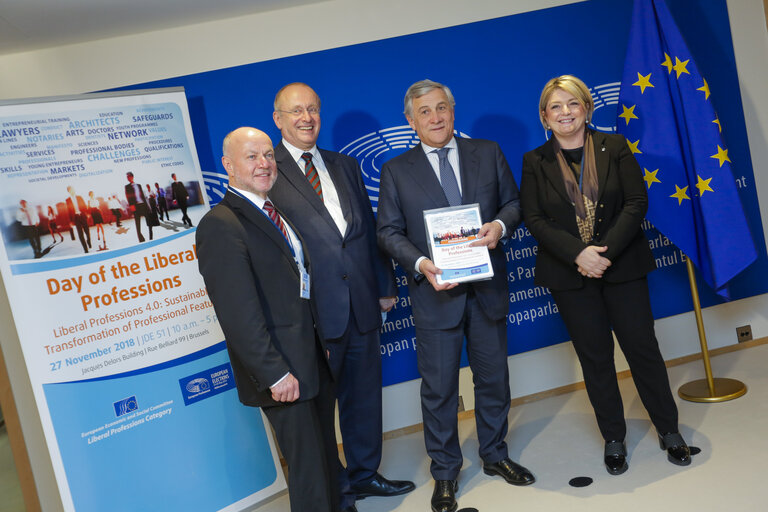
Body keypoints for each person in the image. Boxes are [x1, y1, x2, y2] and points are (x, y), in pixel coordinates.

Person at [519, 75, 691, 476]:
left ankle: (669, 430)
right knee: (595, 358)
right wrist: (579, 253)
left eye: (572, 104)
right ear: (544, 117)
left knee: (642, 350)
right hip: (570, 274)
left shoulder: (614, 147)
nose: (565, 113)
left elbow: (636, 202)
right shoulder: (534, 161)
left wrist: (603, 254)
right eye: (556, 107)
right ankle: (613, 437)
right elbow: (534, 218)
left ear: (587, 109)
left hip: (622, 268)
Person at [377, 79, 534, 512]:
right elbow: (388, 233)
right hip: (435, 295)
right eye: (424, 112)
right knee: (440, 390)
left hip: (486, 289)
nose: (436, 117)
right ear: (410, 121)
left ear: (453, 109)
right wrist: (422, 265)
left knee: (494, 380)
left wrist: (499, 227)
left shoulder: (487, 151)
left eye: (442, 107)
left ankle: (495, 456)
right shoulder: (395, 170)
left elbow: (514, 204)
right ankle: (445, 474)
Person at [270, 82, 414, 511]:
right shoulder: (268, 170)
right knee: (319, 412)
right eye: (296, 111)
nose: (306, 118)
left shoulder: (345, 164)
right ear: (278, 119)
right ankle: (339, 491)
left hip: (363, 303)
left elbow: (366, 231)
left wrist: (385, 286)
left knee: (364, 397)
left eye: (313, 109)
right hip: (312, 314)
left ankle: (365, 475)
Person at [196, 127, 340, 512]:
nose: (264, 164)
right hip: (282, 371)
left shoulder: (274, 212)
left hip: (310, 361)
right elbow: (237, 313)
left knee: (326, 457)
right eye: (251, 157)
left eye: (267, 155)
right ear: (227, 165)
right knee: (308, 474)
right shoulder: (221, 224)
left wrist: (317, 344)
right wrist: (274, 373)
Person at [124, 172, 153, 242]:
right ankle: (140, 238)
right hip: (135, 206)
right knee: (137, 222)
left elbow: (142, 196)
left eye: (129, 176)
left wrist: (147, 206)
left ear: (132, 177)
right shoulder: (127, 187)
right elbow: (128, 196)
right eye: (127, 177)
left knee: (149, 220)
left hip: (143, 204)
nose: (128, 178)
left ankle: (151, 236)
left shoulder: (139, 185)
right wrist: (131, 205)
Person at [65, 185, 91, 253]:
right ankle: (85, 249)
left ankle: (88, 240)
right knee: (80, 234)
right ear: (69, 191)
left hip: (82, 215)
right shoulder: (67, 200)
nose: (72, 191)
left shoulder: (79, 197)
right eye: (71, 190)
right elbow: (69, 211)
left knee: (87, 231)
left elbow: (84, 205)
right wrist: (70, 221)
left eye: (73, 189)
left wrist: (87, 213)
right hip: (75, 218)